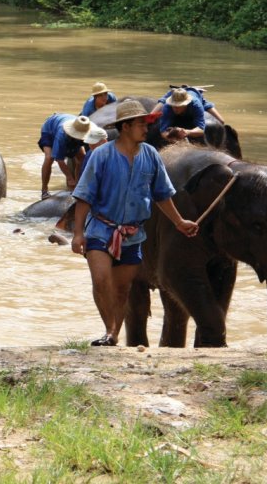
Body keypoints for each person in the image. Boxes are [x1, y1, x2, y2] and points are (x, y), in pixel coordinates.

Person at [71, 99, 198, 347]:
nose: (146, 128)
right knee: (100, 280)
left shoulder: (150, 155)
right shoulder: (101, 155)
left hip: (132, 233)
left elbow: (162, 194)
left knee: (122, 290)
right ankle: (109, 330)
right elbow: (84, 196)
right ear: (126, 126)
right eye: (141, 124)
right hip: (101, 228)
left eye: (146, 124)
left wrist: (179, 221)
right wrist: (78, 233)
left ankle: (114, 335)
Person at [38, 114, 102, 199]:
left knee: (82, 157)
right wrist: (69, 178)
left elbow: (91, 154)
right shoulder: (61, 135)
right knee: (49, 158)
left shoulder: (89, 132)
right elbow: (60, 160)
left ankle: (77, 184)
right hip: (50, 128)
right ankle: (44, 190)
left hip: (73, 133)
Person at [151, 84, 225, 123]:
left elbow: (200, 123)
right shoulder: (171, 97)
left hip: (194, 95)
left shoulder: (195, 102)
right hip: (174, 93)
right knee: (151, 116)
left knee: (221, 121)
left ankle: (186, 88)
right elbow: (164, 101)